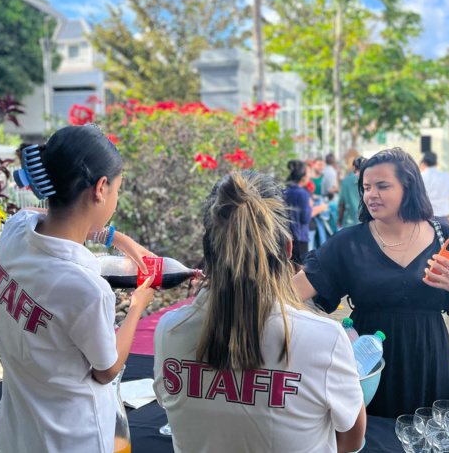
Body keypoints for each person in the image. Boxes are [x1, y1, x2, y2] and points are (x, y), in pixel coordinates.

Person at [153, 171, 366, 453]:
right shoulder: (325, 340)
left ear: (208, 252)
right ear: (288, 249)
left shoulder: (171, 330)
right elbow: (351, 441)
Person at [0, 124, 158, 452]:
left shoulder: (13, 231)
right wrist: (138, 305)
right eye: (117, 189)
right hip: (69, 440)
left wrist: (117, 238)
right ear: (100, 189)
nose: (116, 197)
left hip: (14, 435)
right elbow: (106, 370)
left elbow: (40, 215)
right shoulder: (85, 289)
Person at [293, 148, 449, 418]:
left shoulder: (444, 237)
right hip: (368, 363)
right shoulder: (348, 243)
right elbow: (293, 292)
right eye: (366, 187)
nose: (371, 195)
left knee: (427, 437)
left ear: (409, 188)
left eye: (382, 186)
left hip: (429, 358)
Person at [283, 160, 327, 267]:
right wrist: (319, 208)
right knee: (300, 270)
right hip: (300, 237)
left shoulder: (286, 191)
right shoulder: (303, 193)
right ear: (303, 177)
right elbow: (305, 218)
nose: (309, 176)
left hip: (287, 235)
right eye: (308, 173)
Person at [419, 151, 449, 223]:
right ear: (436, 163)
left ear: (423, 163)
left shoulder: (418, 178)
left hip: (423, 220)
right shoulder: (447, 178)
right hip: (443, 220)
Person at [337, 149, 362, 229]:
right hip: (366, 223)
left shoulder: (346, 181)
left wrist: (339, 220)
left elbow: (341, 204)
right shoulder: (368, 178)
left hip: (349, 223)